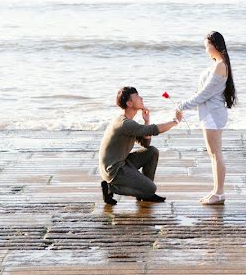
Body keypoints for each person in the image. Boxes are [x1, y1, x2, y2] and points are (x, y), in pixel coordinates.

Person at [177, 31, 237, 205]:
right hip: (210, 114)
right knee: (213, 154)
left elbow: (204, 94)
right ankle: (216, 191)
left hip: (213, 115)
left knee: (216, 154)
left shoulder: (220, 66)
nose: (206, 50)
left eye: (207, 46)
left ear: (214, 45)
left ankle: (219, 193)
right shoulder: (218, 64)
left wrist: (181, 106)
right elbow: (203, 93)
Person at [98, 86, 181, 205]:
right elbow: (154, 129)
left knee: (151, 151)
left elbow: (145, 143)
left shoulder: (129, 122)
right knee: (151, 188)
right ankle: (111, 188)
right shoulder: (124, 124)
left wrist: (146, 122)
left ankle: (146, 194)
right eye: (137, 96)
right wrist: (176, 121)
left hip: (122, 162)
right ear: (129, 103)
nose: (141, 98)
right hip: (114, 170)